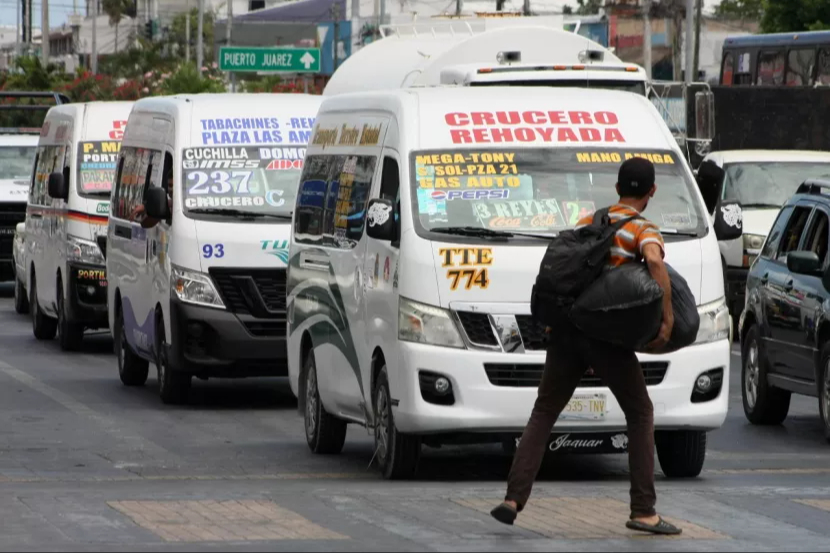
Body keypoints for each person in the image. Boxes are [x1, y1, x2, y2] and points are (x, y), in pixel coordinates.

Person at [491, 157, 681, 536]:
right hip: (605, 338)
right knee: (640, 412)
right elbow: (656, 263)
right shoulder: (642, 229)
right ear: (652, 192)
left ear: (616, 189)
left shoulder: (589, 223)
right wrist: (668, 317)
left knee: (544, 411)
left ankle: (513, 499)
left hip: (566, 330)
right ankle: (644, 511)